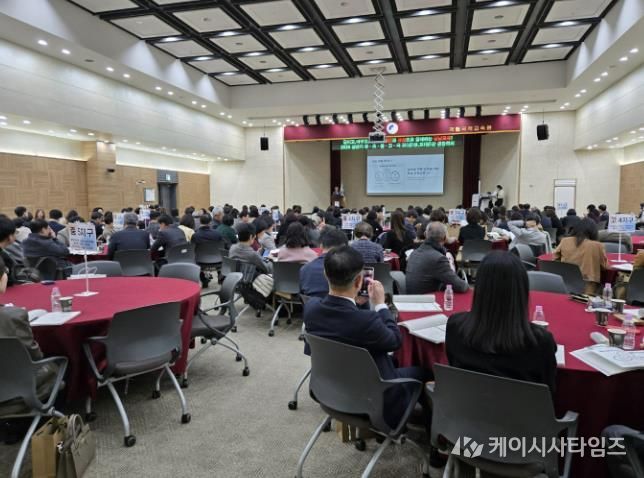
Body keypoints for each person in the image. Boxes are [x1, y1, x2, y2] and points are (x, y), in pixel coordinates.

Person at [303, 246, 432, 432]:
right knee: (424, 371)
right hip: (374, 402)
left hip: (330, 391)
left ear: (325, 274)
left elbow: (342, 317)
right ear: (359, 281)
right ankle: (429, 435)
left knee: (395, 363)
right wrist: (380, 305)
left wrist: (356, 302)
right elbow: (395, 341)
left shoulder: (311, 308)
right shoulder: (367, 321)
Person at [446, 251, 557, 391]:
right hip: (520, 405)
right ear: (521, 291)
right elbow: (548, 393)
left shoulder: (455, 327)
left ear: (479, 288)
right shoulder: (540, 342)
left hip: (464, 403)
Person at [406, 222, 469, 294]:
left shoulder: (414, 253)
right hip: (428, 298)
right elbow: (460, 286)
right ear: (445, 238)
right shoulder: (438, 259)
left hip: (412, 297)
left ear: (425, 235)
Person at [554, 218, 607, 295]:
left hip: (565, 282)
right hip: (587, 288)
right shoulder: (598, 246)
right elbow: (604, 266)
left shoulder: (564, 241)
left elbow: (555, 259)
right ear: (594, 231)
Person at [300, 228, 348, 298]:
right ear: (344, 247)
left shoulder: (304, 269)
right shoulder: (349, 270)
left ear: (321, 246)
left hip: (310, 304)